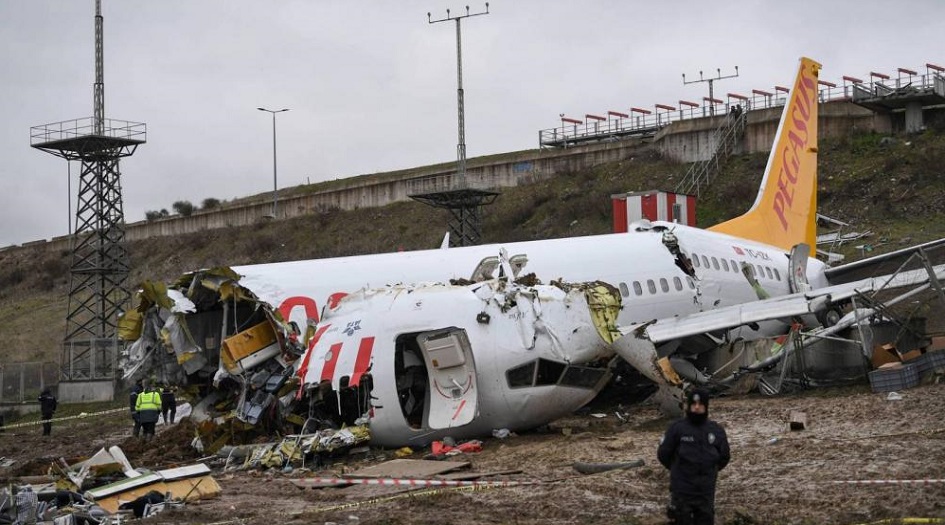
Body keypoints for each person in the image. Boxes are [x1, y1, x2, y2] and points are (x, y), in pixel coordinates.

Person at [657, 388, 730, 525]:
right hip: (682, 490)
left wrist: (709, 471)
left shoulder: (716, 430)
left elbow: (724, 457)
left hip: (705, 491)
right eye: (694, 404)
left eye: (700, 404)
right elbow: (663, 454)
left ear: (706, 406)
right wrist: (678, 470)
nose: (697, 407)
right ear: (688, 406)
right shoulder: (677, 428)